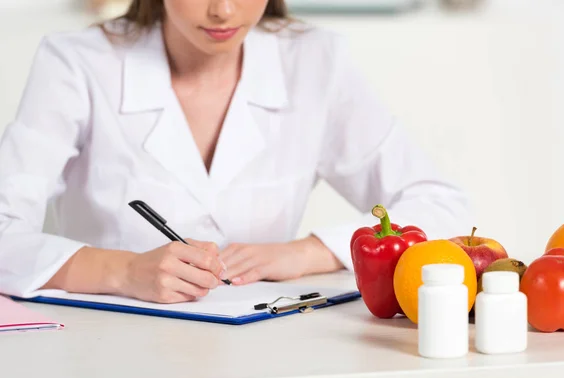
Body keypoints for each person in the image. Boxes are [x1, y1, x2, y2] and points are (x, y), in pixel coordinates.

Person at [0, 0, 473, 304]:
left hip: (262, 347)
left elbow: (442, 206)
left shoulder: (315, 60)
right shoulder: (77, 63)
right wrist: (123, 271)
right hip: (103, 352)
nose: (223, 10)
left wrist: (310, 251)